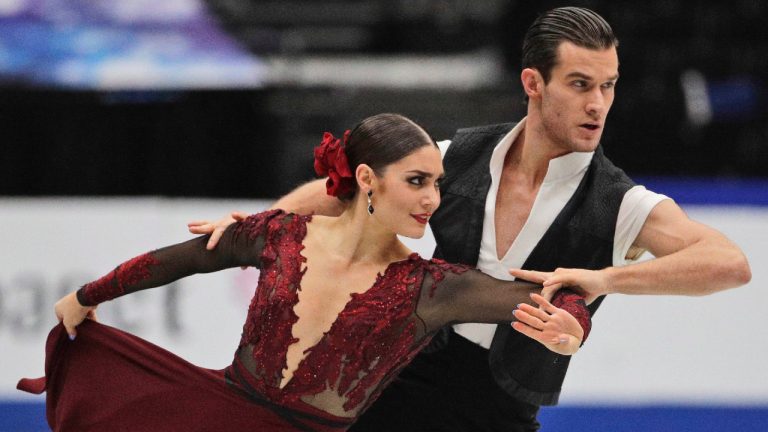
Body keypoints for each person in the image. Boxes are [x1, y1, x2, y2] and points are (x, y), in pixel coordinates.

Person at [192, 7, 751, 432]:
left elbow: (728, 263)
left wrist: (605, 279)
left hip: (498, 412)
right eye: (580, 84)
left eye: (608, 86)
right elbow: (353, 188)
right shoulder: (462, 156)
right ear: (534, 84)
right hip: (399, 378)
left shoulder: (617, 202)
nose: (598, 104)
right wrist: (263, 223)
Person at [18, 113, 594, 432]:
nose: (432, 199)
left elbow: (549, 298)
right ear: (367, 179)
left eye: (437, 184)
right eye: (417, 181)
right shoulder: (282, 235)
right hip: (218, 415)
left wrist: (572, 326)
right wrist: (87, 295)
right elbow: (180, 260)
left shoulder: (433, 287)